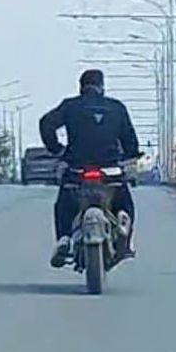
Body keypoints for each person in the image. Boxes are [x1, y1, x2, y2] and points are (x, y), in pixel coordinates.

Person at [38, 68, 140, 268]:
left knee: (64, 204)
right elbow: (130, 140)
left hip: (77, 169)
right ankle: (124, 229)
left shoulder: (70, 106)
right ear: (102, 87)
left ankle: (64, 239)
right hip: (110, 170)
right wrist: (129, 155)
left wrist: (57, 149)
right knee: (124, 201)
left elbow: (46, 124)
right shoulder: (117, 107)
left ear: (81, 87)